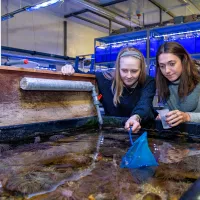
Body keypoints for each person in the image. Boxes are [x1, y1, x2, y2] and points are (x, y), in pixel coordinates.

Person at [61, 47, 156, 133]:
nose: (129, 76)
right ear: (118, 68)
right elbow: (83, 75)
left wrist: (136, 117)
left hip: (143, 131)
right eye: (124, 70)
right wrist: (70, 68)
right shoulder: (105, 79)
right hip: (114, 131)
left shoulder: (148, 82)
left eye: (134, 71)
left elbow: (144, 104)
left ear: (141, 69)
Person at [156, 41, 200, 127]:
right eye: (162, 66)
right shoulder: (163, 82)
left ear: (183, 60)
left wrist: (187, 117)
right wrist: (164, 117)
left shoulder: (198, 79)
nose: (167, 71)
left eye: (172, 64)